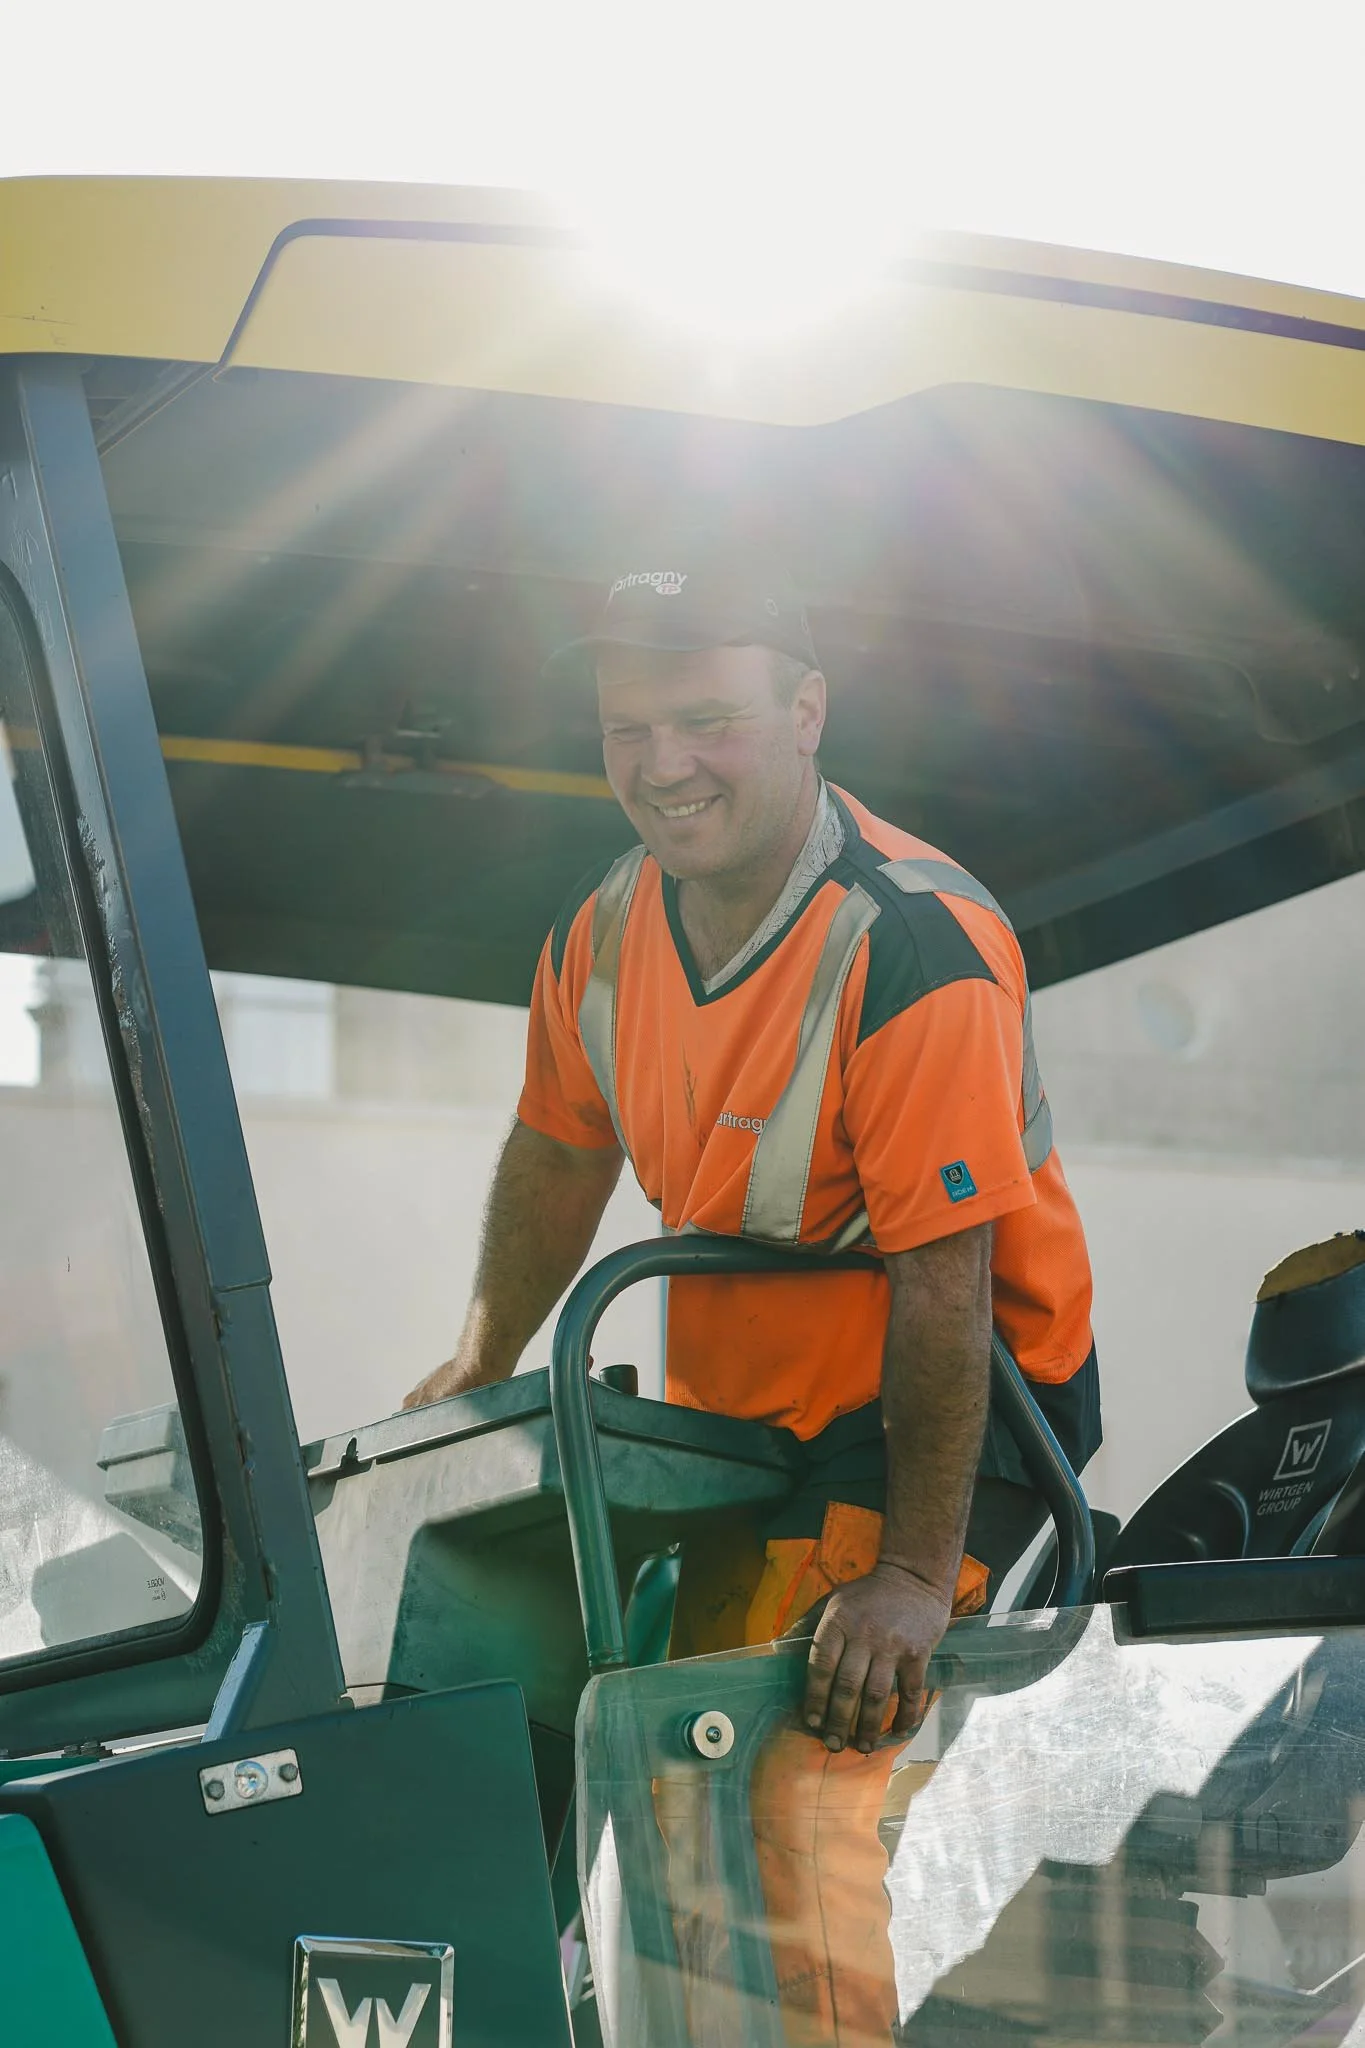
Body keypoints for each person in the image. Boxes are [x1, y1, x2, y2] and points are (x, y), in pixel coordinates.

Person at [404, 544, 1099, 2044]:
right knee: (663, 1778)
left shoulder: (910, 944)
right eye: (628, 730)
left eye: (706, 720)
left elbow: (946, 1282)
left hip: (951, 1424)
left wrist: (910, 1576)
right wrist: (480, 1357)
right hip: (743, 1427)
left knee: (793, 1790)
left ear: (806, 710)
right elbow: (557, 1149)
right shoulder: (605, 929)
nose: (664, 766)